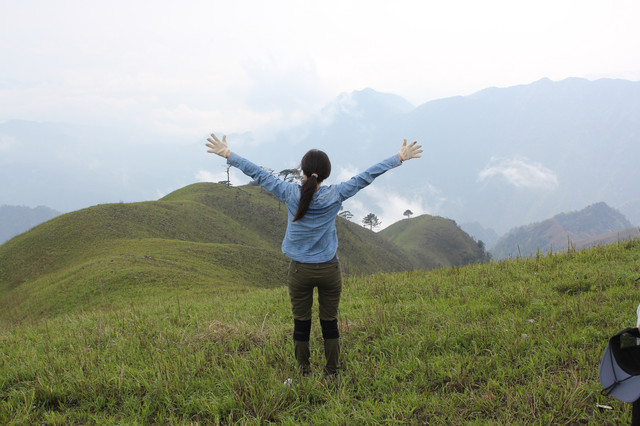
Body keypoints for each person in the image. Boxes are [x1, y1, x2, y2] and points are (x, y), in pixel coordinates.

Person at [205, 133, 422, 377]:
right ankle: (332, 372)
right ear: (326, 173)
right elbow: (366, 176)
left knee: (301, 322)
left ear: (303, 171)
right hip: (330, 269)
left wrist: (228, 154)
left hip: (300, 270)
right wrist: (398, 158)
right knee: (329, 322)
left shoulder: (289, 192)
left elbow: (259, 173)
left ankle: (304, 372)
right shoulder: (336, 194)